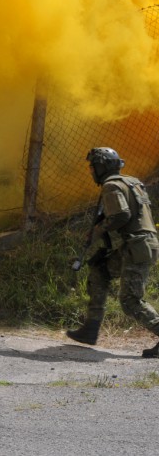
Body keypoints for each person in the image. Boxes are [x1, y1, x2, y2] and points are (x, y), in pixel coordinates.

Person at [66, 147, 159, 358]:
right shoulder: (131, 181)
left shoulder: (111, 186)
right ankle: (91, 328)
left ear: (102, 167)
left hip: (138, 246)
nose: (90, 171)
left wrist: (97, 230)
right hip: (138, 244)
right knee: (100, 270)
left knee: (130, 301)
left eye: (93, 166)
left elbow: (121, 215)